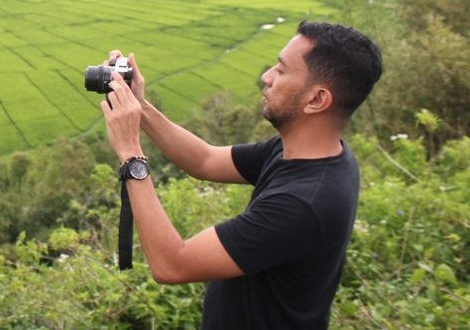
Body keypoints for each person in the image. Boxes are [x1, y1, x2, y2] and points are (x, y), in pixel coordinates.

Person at [100, 21, 382, 329]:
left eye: (282, 70)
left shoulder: (302, 204)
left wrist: (131, 154)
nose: (267, 76)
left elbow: (172, 264)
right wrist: (140, 106)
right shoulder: (308, 152)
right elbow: (205, 160)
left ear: (316, 100)